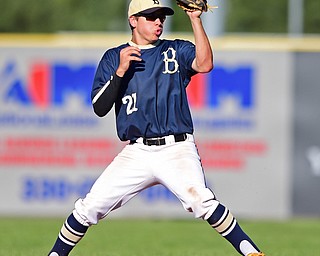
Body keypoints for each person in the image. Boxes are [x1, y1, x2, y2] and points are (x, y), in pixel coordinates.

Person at [48, 0, 265, 255]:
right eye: (150, 17)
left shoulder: (174, 50)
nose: (158, 22)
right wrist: (119, 72)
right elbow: (99, 106)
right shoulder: (114, 57)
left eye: (161, 16)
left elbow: (204, 64)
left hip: (177, 148)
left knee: (201, 201)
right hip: (137, 152)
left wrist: (196, 20)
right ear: (133, 21)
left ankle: (250, 251)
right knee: (89, 207)